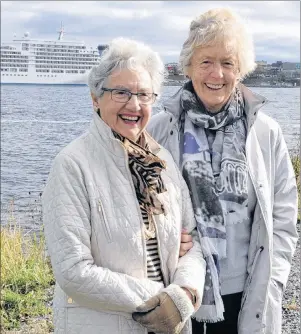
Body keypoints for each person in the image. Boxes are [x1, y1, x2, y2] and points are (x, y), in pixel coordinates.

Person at [147, 8, 298, 334]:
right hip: (179, 288)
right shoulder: (160, 129)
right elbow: (138, 208)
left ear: (240, 69)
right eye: (206, 62)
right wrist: (168, 237)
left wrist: (275, 278)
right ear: (189, 66)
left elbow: (284, 215)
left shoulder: (264, 131)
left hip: (247, 290)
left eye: (228, 63)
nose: (217, 74)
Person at [42, 37, 207, 334]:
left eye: (144, 94)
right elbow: (73, 271)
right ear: (95, 98)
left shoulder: (162, 161)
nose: (134, 105)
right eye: (121, 92)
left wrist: (186, 292)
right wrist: (161, 299)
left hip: (170, 324)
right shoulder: (72, 165)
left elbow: (191, 241)